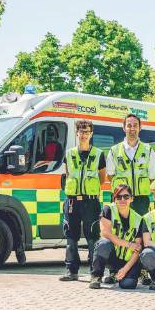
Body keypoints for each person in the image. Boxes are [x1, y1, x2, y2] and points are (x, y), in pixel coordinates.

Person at [59, 120, 107, 282]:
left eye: (87, 131)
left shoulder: (99, 154)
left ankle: (95, 273)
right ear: (77, 133)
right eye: (81, 131)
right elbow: (67, 175)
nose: (84, 134)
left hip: (90, 202)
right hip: (72, 201)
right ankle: (71, 271)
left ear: (91, 134)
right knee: (71, 236)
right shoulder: (69, 154)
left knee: (92, 236)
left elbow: (101, 178)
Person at [89, 184, 145, 290]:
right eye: (118, 197)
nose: (122, 199)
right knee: (103, 243)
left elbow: (138, 249)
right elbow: (105, 233)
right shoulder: (108, 209)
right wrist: (128, 244)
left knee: (128, 285)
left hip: (128, 260)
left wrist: (125, 269)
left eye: (126, 196)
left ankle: (117, 275)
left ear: (132, 199)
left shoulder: (139, 219)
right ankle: (96, 276)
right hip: (112, 257)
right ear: (114, 199)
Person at [106, 114, 153, 216]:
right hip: (121, 198)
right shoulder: (114, 150)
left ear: (140, 128)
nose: (132, 128)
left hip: (141, 201)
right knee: (120, 229)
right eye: (129, 125)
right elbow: (110, 176)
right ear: (124, 128)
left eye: (135, 125)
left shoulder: (148, 150)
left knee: (140, 230)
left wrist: (138, 186)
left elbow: (151, 176)